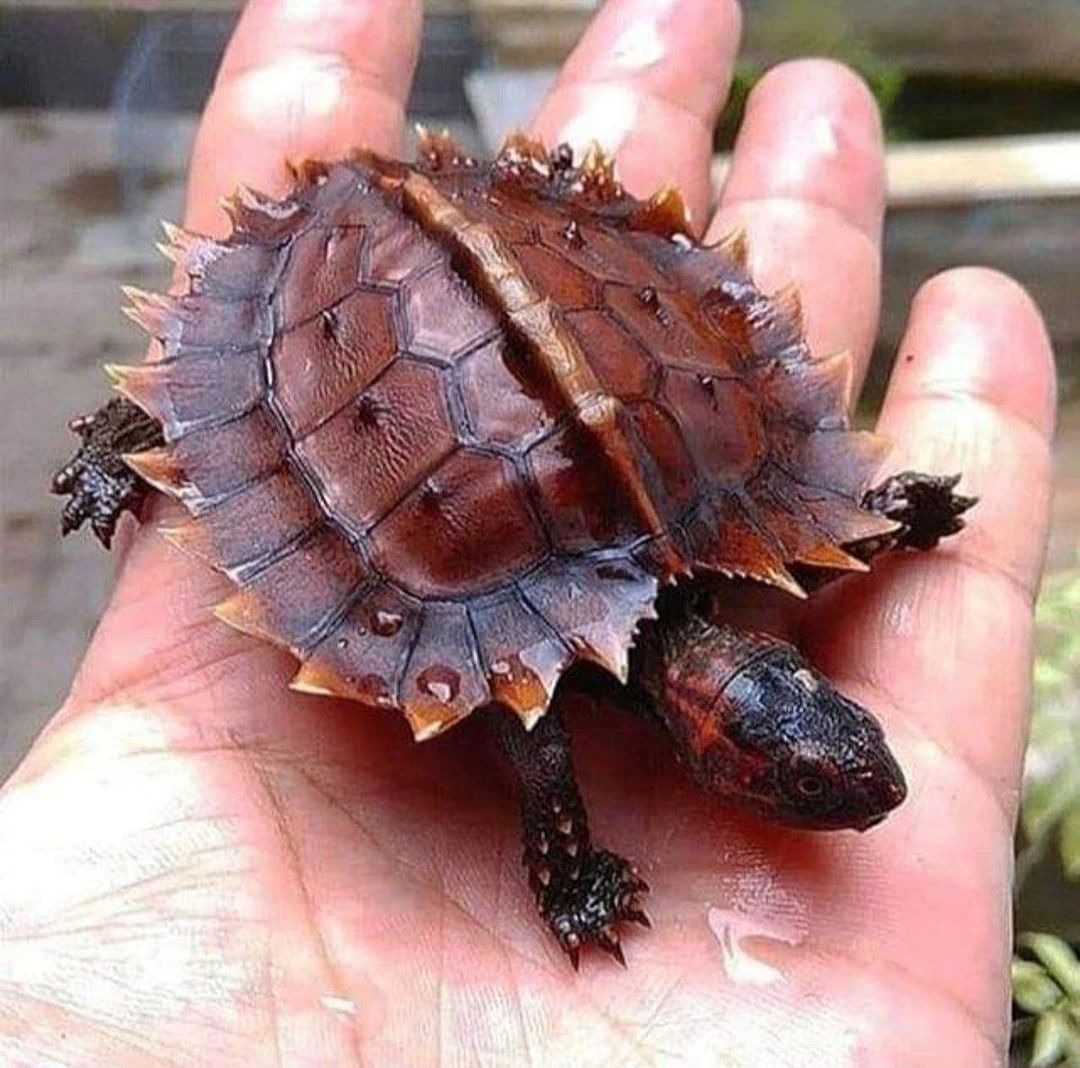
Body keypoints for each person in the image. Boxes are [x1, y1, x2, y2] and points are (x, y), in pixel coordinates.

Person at [0, 0, 1056, 1063]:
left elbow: (813, 554)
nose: (855, 793)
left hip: (592, 346)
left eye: (811, 777)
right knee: (218, 423)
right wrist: (569, 878)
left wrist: (887, 524)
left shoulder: (739, 546)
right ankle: (121, 431)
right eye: (804, 784)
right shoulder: (577, 675)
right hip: (361, 307)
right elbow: (537, 740)